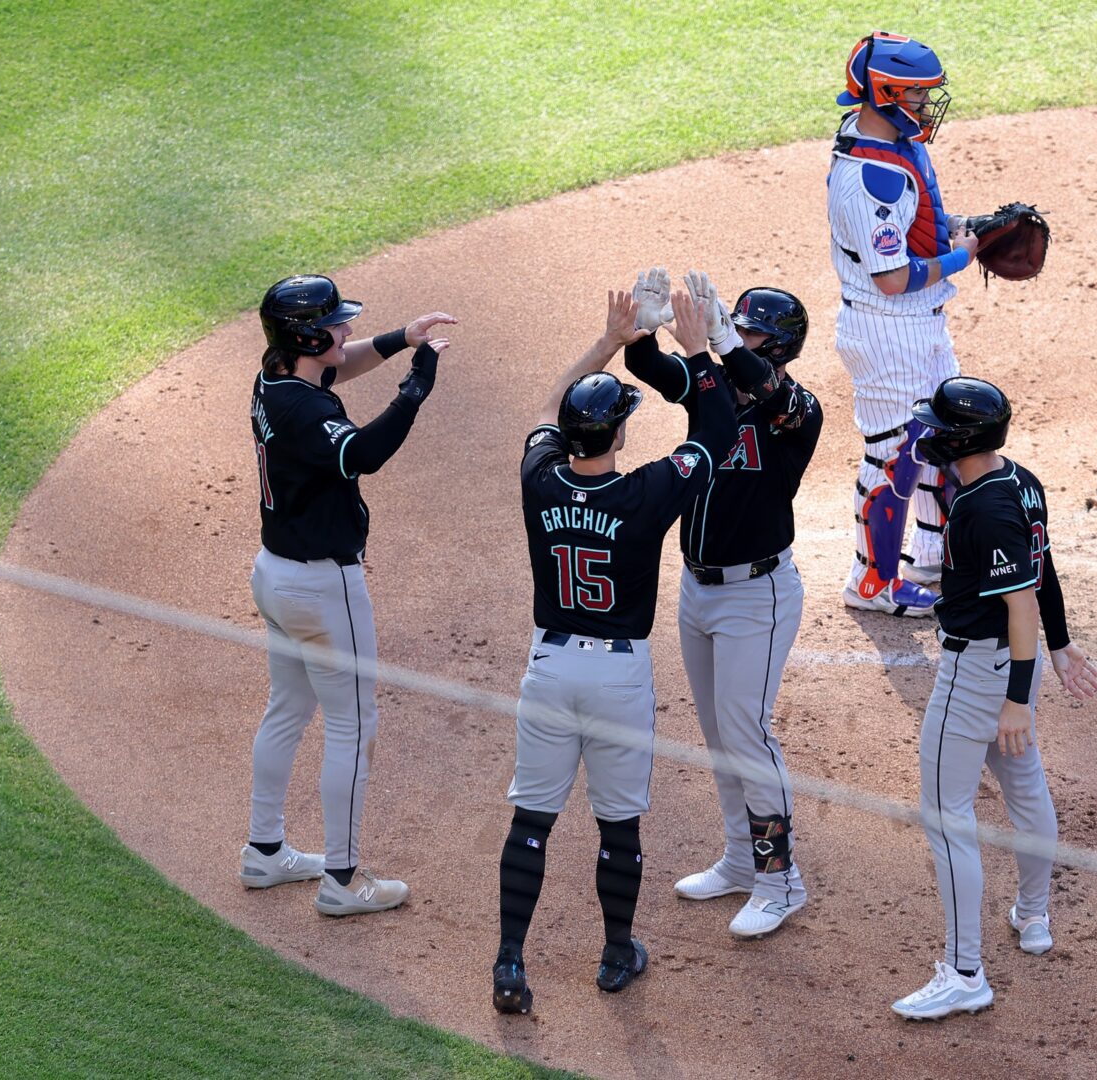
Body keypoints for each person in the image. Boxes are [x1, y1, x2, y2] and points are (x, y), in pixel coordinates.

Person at [492, 283, 737, 1014]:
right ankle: (616, 952)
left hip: (549, 666)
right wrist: (696, 347)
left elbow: (545, 407)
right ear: (619, 436)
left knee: (531, 820)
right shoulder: (647, 492)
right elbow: (716, 431)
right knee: (617, 824)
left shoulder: (540, 480)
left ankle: (509, 962)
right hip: (617, 677)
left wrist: (606, 342)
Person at [240, 274, 455, 916]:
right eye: (335, 324)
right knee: (352, 723)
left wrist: (399, 339)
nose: (345, 331)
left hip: (276, 575)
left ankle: (265, 851)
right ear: (307, 335)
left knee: (287, 708)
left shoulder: (277, 379)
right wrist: (415, 388)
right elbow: (364, 452)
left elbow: (339, 367)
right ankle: (341, 882)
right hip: (323, 588)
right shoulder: (305, 410)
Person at [888, 377, 1097, 1020]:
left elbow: (1018, 600)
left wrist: (1014, 701)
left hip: (978, 673)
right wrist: (1057, 647)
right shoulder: (1021, 480)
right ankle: (1032, 917)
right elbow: (1043, 571)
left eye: (938, 425)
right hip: (1016, 663)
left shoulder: (984, 506)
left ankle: (963, 971)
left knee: (946, 813)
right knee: (1025, 786)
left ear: (962, 438)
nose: (928, 433)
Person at [622, 270, 822, 938]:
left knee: (747, 732)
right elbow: (652, 367)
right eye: (733, 324)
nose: (734, 337)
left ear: (778, 346)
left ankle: (780, 879)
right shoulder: (713, 396)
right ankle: (741, 860)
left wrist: (719, 343)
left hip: (756, 597)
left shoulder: (798, 413)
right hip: (697, 591)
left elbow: (770, 391)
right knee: (719, 736)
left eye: (750, 330)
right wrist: (645, 327)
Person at [826, 31, 983, 616]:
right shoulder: (871, 179)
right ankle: (873, 581)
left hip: (914, 324)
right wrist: (962, 256)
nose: (925, 105)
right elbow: (893, 277)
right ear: (886, 91)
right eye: (917, 94)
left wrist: (970, 227)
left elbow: (916, 224)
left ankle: (927, 558)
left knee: (936, 439)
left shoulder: (886, 144)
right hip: (887, 329)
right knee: (892, 456)